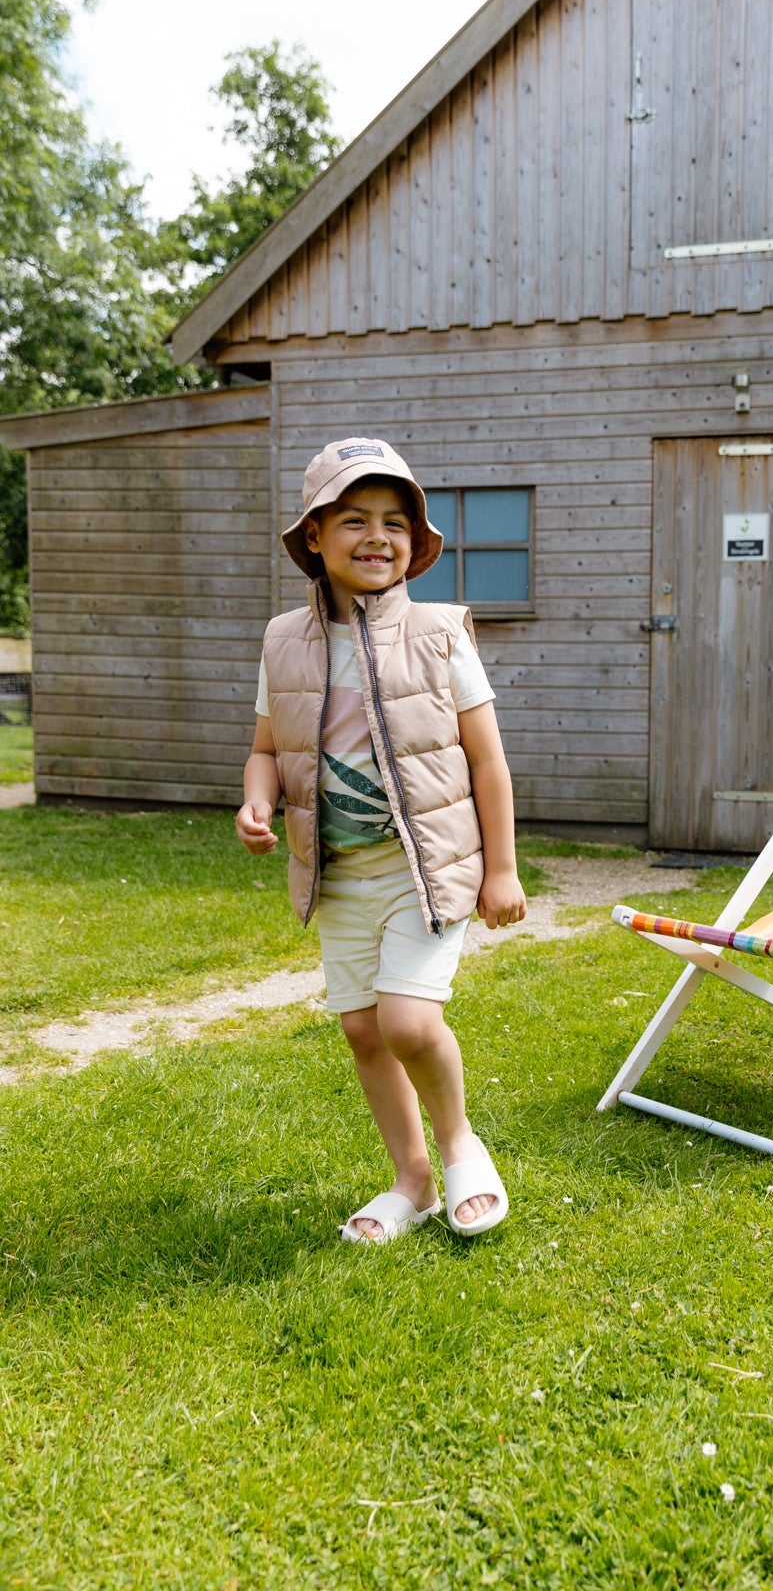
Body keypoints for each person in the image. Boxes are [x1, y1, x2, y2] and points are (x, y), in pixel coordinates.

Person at [235, 437, 527, 1242]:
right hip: (339, 875)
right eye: (355, 519)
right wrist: (256, 803)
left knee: (405, 1020)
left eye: (396, 522)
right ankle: (414, 1179)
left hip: (425, 867)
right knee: (362, 1028)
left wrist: (501, 868)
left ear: (416, 542)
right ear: (316, 535)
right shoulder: (282, 641)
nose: (377, 536)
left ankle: (462, 1142)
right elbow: (266, 749)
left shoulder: (440, 635)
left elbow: (487, 760)